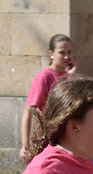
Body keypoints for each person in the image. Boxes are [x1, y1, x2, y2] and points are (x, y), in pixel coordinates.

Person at [21, 34, 77, 162]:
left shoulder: (69, 76)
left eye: (69, 52)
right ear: (52, 54)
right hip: (49, 136)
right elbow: (29, 110)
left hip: (67, 136)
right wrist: (25, 145)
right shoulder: (44, 77)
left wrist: (72, 77)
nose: (67, 57)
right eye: (62, 53)